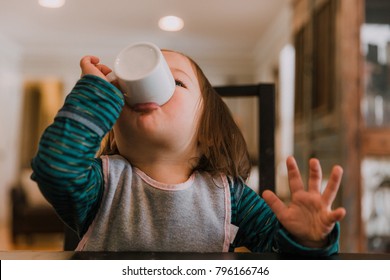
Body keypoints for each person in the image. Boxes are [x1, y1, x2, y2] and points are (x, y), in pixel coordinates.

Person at [31, 49, 346, 254]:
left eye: (177, 83)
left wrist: (308, 241)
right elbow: (56, 167)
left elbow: (281, 260)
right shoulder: (101, 184)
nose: (148, 87)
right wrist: (97, 93)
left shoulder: (230, 197)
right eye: (124, 91)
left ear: (207, 127)